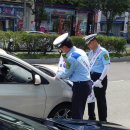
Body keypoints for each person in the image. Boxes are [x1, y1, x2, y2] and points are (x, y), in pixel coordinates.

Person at [53, 33, 92, 120]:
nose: (61, 50)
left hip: (80, 87)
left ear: (65, 47)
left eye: (61, 48)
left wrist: (57, 75)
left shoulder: (71, 58)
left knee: (77, 113)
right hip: (86, 84)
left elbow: (66, 74)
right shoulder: (80, 51)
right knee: (80, 109)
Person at [84, 34, 110, 122]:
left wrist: (100, 80)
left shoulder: (103, 52)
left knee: (100, 99)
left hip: (100, 78)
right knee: (90, 98)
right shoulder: (90, 52)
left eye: (89, 44)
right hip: (91, 77)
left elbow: (107, 67)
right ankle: (91, 117)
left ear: (94, 41)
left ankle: (103, 120)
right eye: (87, 44)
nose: (88, 46)